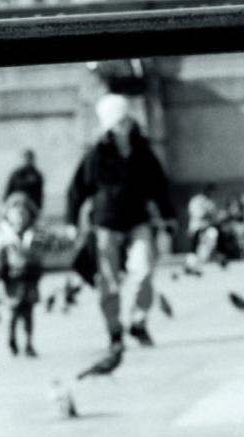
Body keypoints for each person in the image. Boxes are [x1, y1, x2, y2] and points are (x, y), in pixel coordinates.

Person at [66, 93, 176, 352]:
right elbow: (77, 189)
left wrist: (168, 215)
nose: (124, 125)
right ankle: (114, 329)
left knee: (144, 271)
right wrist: (73, 222)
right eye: (118, 121)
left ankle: (138, 322)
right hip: (106, 224)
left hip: (138, 220)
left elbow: (159, 185)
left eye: (126, 119)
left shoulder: (142, 151)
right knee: (108, 280)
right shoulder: (96, 155)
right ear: (108, 126)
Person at [0, 193, 46, 357]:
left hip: (30, 278)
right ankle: (12, 339)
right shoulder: (5, 237)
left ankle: (29, 342)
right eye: (16, 215)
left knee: (28, 313)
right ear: (9, 216)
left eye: (23, 215)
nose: (20, 218)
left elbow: (39, 257)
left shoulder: (34, 235)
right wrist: (1, 274)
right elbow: (0, 259)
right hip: (13, 279)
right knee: (13, 311)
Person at [4, 149, 44, 222]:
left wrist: (37, 208)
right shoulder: (16, 174)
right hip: (15, 202)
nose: (27, 161)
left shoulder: (36, 175)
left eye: (29, 159)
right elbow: (8, 190)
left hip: (29, 204)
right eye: (25, 158)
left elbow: (39, 194)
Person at [187, 183, 221, 266]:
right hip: (196, 227)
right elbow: (196, 214)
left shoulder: (211, 202)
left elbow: (214, 217)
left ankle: (206, 260)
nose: (212, 194)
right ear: (207, 191)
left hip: (207, 228)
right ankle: (190, 264)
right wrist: (206, 213)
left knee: (210, 241)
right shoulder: (197, 200)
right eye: (211, 192)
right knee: (194, 247)